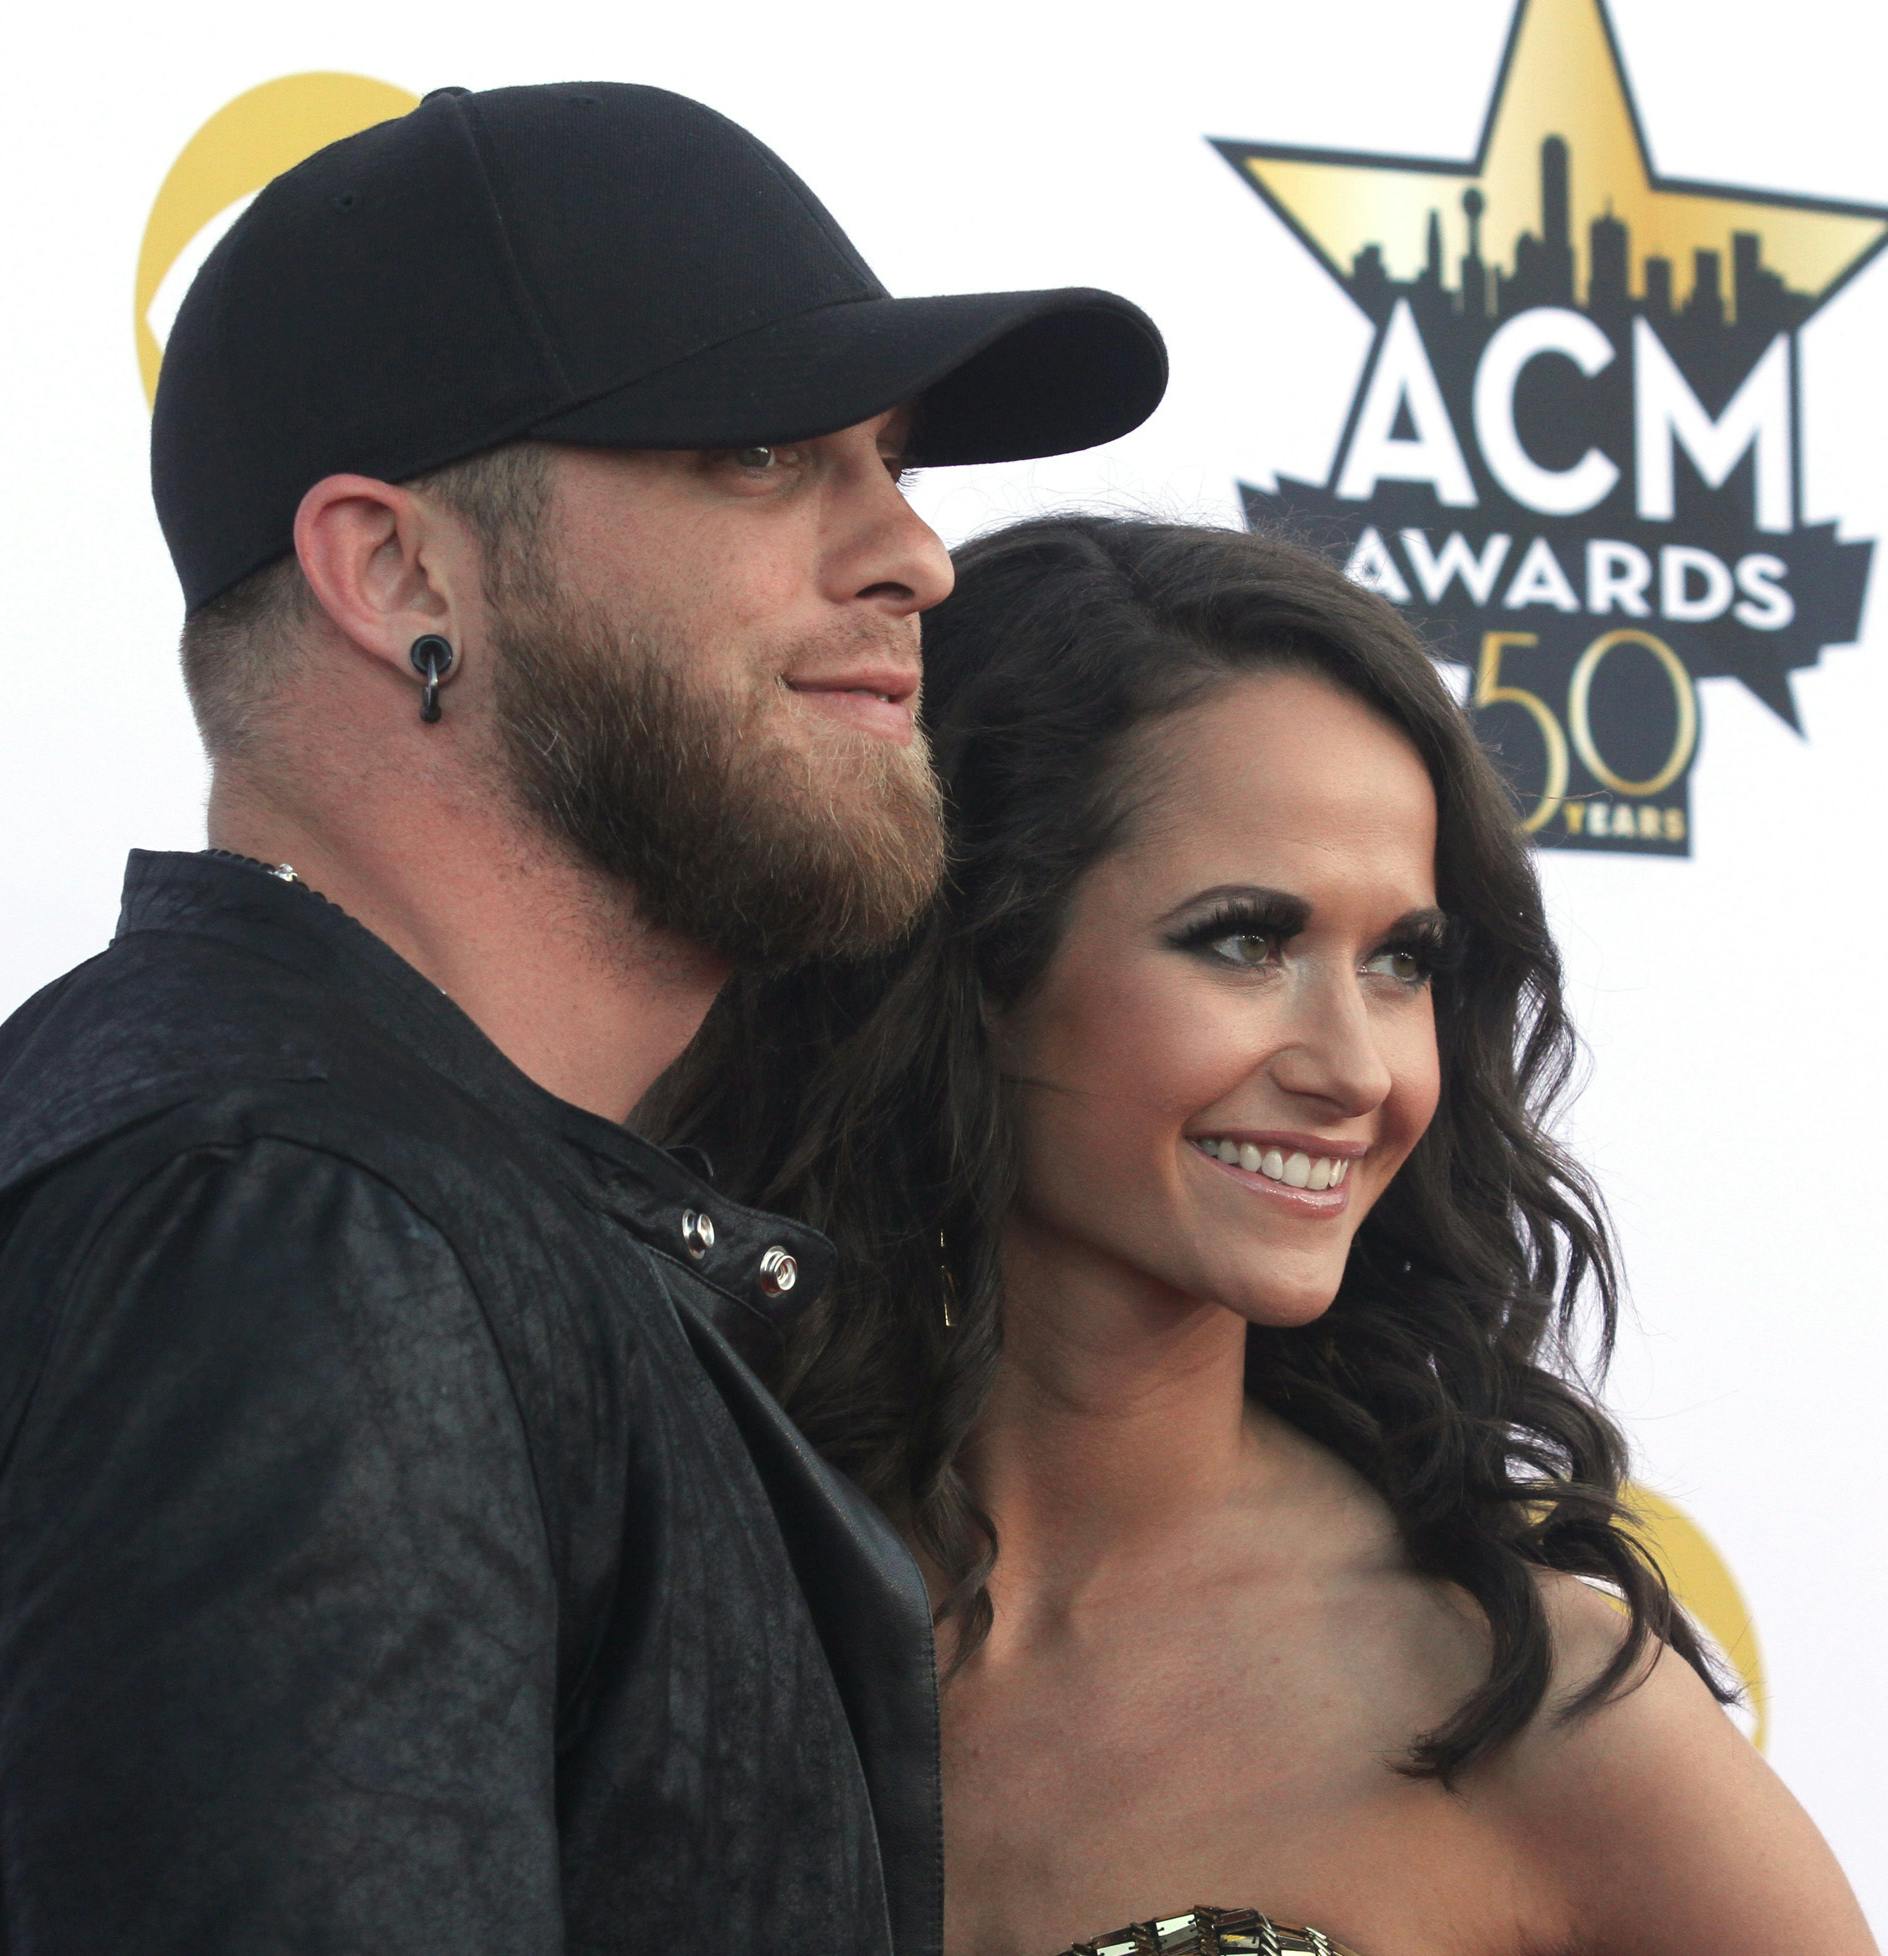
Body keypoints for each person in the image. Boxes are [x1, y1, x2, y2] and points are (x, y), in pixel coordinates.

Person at [0, 86, 1166, 1952]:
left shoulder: (390, 1195)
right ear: (395, 574)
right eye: (772, 455)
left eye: (894, 458)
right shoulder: (300, 1229)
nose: (915, 556)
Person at [651, 515, 1880, 1956]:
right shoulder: (665, 1560)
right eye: (1247, 939)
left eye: (1401, 961)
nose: (1355, 1066)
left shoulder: (1514, 1696)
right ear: (972, 961)